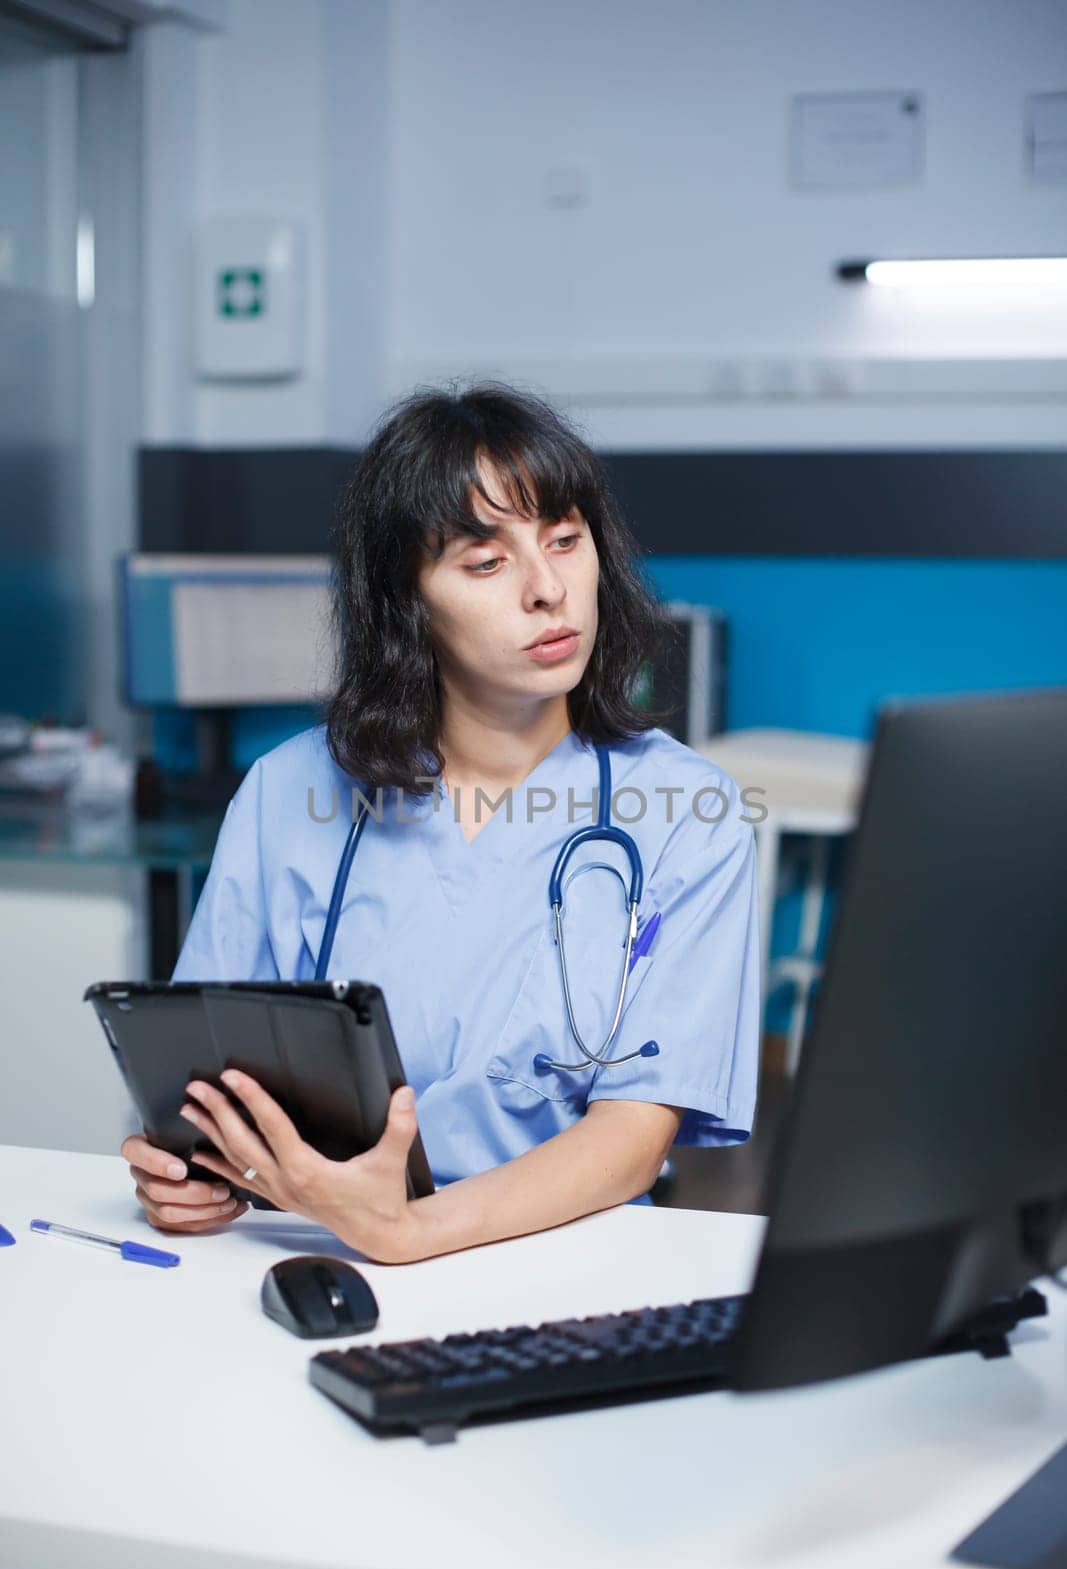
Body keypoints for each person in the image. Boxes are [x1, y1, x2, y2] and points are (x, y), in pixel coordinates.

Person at [120, 382, 761, 1262]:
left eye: (565, 542)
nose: (548, 591)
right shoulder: (286, 793)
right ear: (405, 600)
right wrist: (186, 1176)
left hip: (566, 1262)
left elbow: (634, 1134)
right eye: (485, 562)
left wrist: (409, 1231)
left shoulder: (691, 814)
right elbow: (205, 1081)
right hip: (309, 1247)